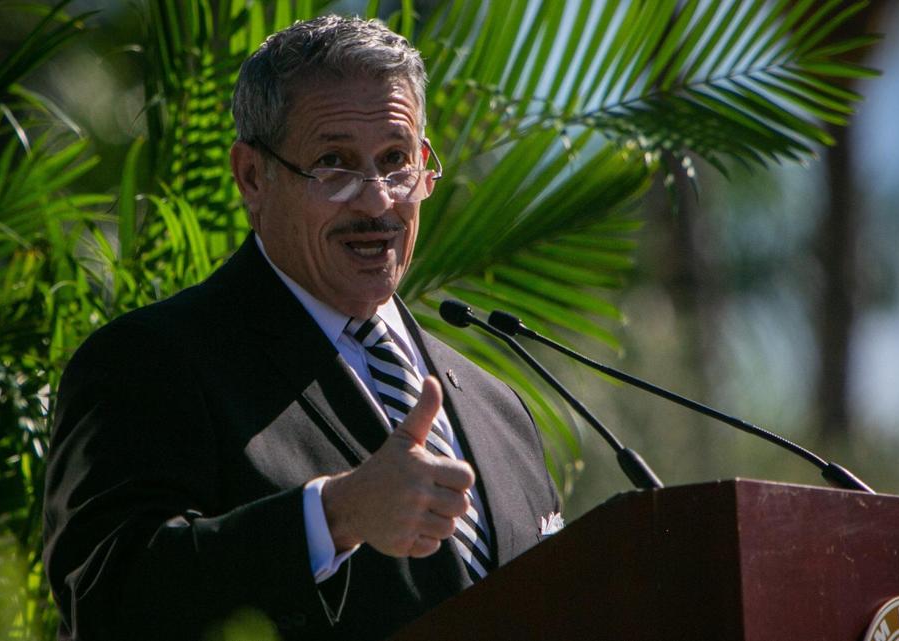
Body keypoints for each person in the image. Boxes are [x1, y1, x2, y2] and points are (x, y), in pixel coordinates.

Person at [42, 14, 560, 641]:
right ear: (252, 177)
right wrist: (333, 516)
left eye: (396, 160)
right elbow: (107, 602)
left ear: (426, 168)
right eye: (334, 163)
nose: (376, 201)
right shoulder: (151, 362)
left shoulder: (499, 409)